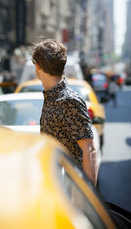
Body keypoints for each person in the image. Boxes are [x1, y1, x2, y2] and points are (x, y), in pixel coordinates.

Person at [31, 39, 98, 185]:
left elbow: (90, 150)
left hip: (70, 189)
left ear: (37, 65)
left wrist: (88, 198)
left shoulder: (68, 100)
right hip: (54, 186)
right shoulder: (52, 96)